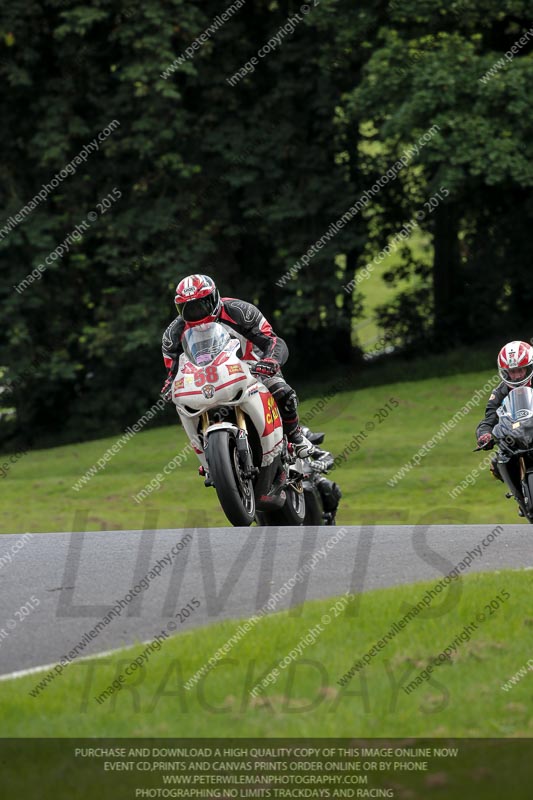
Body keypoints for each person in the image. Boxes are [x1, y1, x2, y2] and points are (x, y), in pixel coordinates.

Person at [161, 274, 319, 458]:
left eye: (201, 304)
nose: (196, 312)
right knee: (183, 406)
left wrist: (270, 361)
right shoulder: (173, 334)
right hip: (203, 377)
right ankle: (208, 458)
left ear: (214, 298)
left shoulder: (240, 311)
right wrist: (169, 385)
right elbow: (173, 369)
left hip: (251, 365)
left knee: (281, 390)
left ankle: (295, 437)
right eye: (187, 308)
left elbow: (273, 340)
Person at [476, 340, 533, 489]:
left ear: (529, 368)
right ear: (505, 372)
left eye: (521, 370)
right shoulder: (499, 392)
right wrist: (484, 435)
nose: (517, 376)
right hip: (515, 439)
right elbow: (489, 419)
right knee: (497, 463)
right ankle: (519, 495)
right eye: (512, 371)